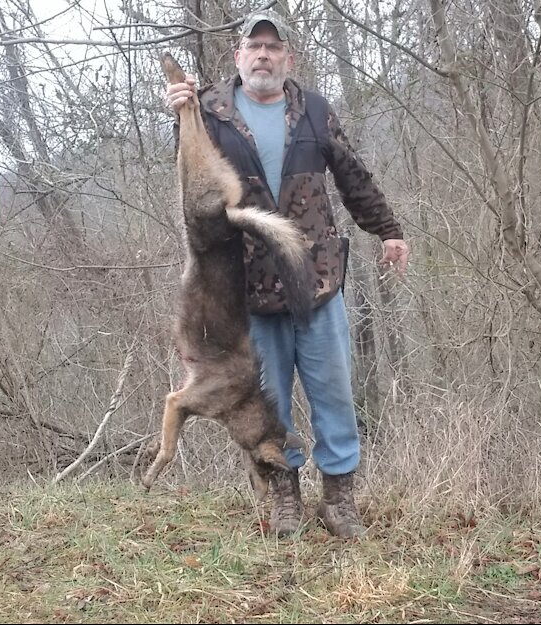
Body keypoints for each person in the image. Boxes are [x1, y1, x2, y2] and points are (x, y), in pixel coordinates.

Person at [164, 9, 408, 539]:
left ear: (288, 58)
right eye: (255, 46)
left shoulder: (314, 110)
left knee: (334, 396)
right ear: (238, 56)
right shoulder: (209, 112)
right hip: (245, 291)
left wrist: (388, 229)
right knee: (268, 400)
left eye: (274, 48)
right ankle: (285, 501)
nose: (264, 56)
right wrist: (180, 117)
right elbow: (192, 185)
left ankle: (339, 503)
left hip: (316, 283)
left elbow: (352, 175)